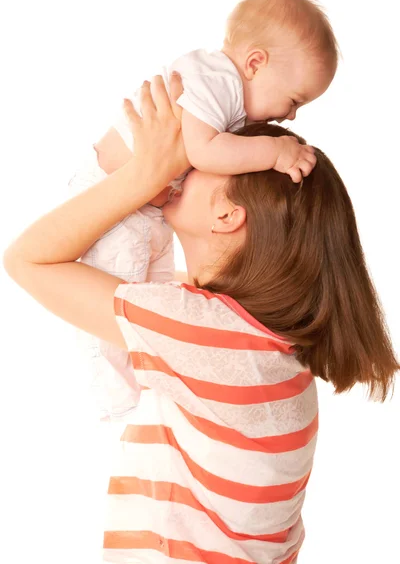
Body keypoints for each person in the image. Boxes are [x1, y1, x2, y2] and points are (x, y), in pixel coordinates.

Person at [4, 74, 398, 564]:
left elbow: (28, 260)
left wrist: (142, 176)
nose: (185, 161)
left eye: (200, 160)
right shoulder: (261, 343)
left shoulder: (205, 334)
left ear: (229, 215)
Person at [68, 0, 338, 422]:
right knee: (118, 301)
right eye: (294, 100)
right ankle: (118, 396)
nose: (290, 118)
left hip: (143, 205)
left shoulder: (227, 92)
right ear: (255, 64)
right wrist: (274, 152)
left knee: (152, 293)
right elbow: (205, 152)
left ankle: (149, 388)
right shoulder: (214, 80)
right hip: (111, 196)